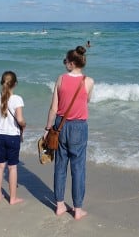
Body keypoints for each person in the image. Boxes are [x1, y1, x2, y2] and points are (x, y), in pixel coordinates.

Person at [44, 46, 94, 219]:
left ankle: (59, 206)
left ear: (72, 63)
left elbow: (53, 108)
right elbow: (87, 100)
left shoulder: (60, 79)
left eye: (65, 61)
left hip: (60, 126)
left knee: (60, 166)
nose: (64, 63)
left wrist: (47, 129)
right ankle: (77, 209)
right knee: (78, 168)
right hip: (79, 127)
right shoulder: (89, 81)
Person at [0, 71, 26, 205]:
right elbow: (20, 119)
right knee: (12, 168)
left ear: (2, 82)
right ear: (15, 84)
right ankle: (12, 198)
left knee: (0, 166)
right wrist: (24, 124)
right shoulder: (17, 99)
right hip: (12, 136)